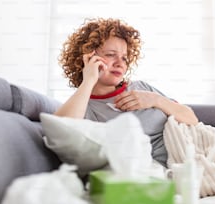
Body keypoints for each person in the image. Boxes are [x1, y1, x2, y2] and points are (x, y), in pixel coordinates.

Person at [55, 18, 198, 167]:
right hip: (162, 169)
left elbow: (192, 119)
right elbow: (60, 130)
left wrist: (156, 100)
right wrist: (88, 81)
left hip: (194, 150)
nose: (120, 63)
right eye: (111, 54)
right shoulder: (84, 106)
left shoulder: (141, 87)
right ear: (88, 57)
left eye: (124, 58)